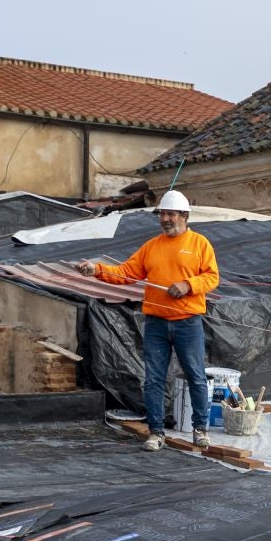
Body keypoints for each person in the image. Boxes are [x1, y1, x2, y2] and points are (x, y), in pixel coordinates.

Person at [79, 189, 221, 451]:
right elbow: (125, 273)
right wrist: (97, 270)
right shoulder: (151, 246)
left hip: (188, 322)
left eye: (171, 214)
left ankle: (200, 429)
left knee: (196, 377)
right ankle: (156, 432)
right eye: (162, 214)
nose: (165, 219)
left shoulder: (200, 244)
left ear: (184, 215)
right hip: (156, 323)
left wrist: (188, 285)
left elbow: (212, 277)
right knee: (154, 379)